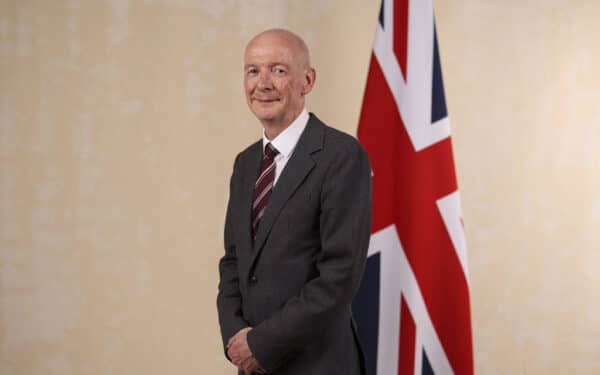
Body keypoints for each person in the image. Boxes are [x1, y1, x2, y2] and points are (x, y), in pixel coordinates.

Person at [217, 28, 372, 375]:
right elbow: (233, 263)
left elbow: (339, 276)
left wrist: (262, 344)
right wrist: (235, 340)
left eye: (279, 70)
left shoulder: (342, 156)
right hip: (253, 364)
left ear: (308, 80)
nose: (263, 83)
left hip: (319, 364)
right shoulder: (245, 164)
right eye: (253, 70)